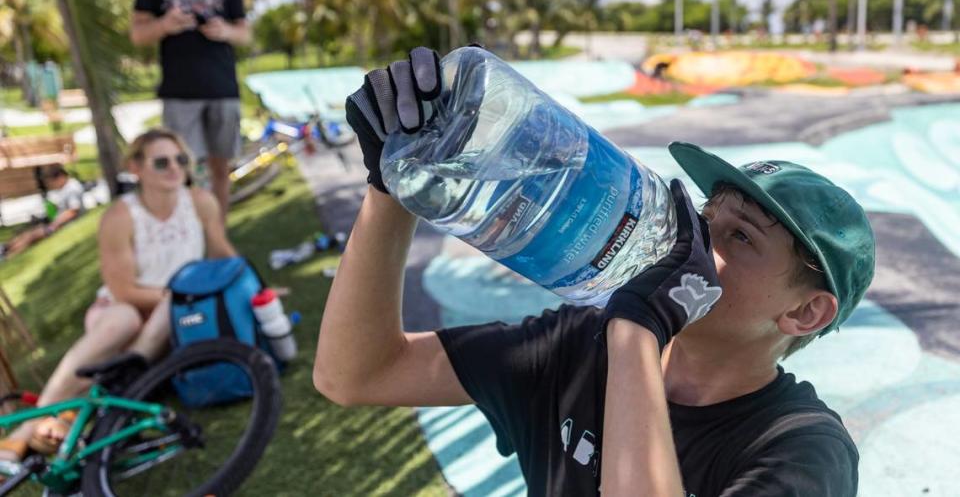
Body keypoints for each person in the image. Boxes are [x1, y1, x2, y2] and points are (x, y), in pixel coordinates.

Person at [314, 48, 876, 496]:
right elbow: (355, 374)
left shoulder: (803, 451)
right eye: (706, 217)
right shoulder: (577, 349)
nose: (697, 239)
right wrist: (389, 188)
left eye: (741, 237)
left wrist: (636, 330)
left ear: (804, 312)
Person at [0, 128, 237, 465]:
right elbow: (124, 290)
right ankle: (33, 426)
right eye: (161, 161)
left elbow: (222, 254)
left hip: (173, 316)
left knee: (173, 303)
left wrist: (251, 285)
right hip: (122, 310)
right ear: (136, 168)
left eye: (180, 159)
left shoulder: (201, 202)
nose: (174, 167)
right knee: (125, 319)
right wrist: (181, 297)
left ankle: (86, 406)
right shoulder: (120, 216)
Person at [130, 0, 251, 220]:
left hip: (222, 87)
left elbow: (245, 31)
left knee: (221, 166)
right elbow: (138, 33)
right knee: (181, 167)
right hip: (180, 90)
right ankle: (190, 227)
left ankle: (218, 231)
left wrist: (225, 31)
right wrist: (165, 25)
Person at [0, 165, 85, 259]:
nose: (54, 185)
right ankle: (6, 248)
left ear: (60, 177)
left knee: (32, 236)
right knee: (28, 233)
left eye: (53, 182)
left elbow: (72, 211)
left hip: (64, 225)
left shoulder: (72, 188)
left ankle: (7, 256)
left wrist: (54, 225)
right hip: (58, 223)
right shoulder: (67, 187)